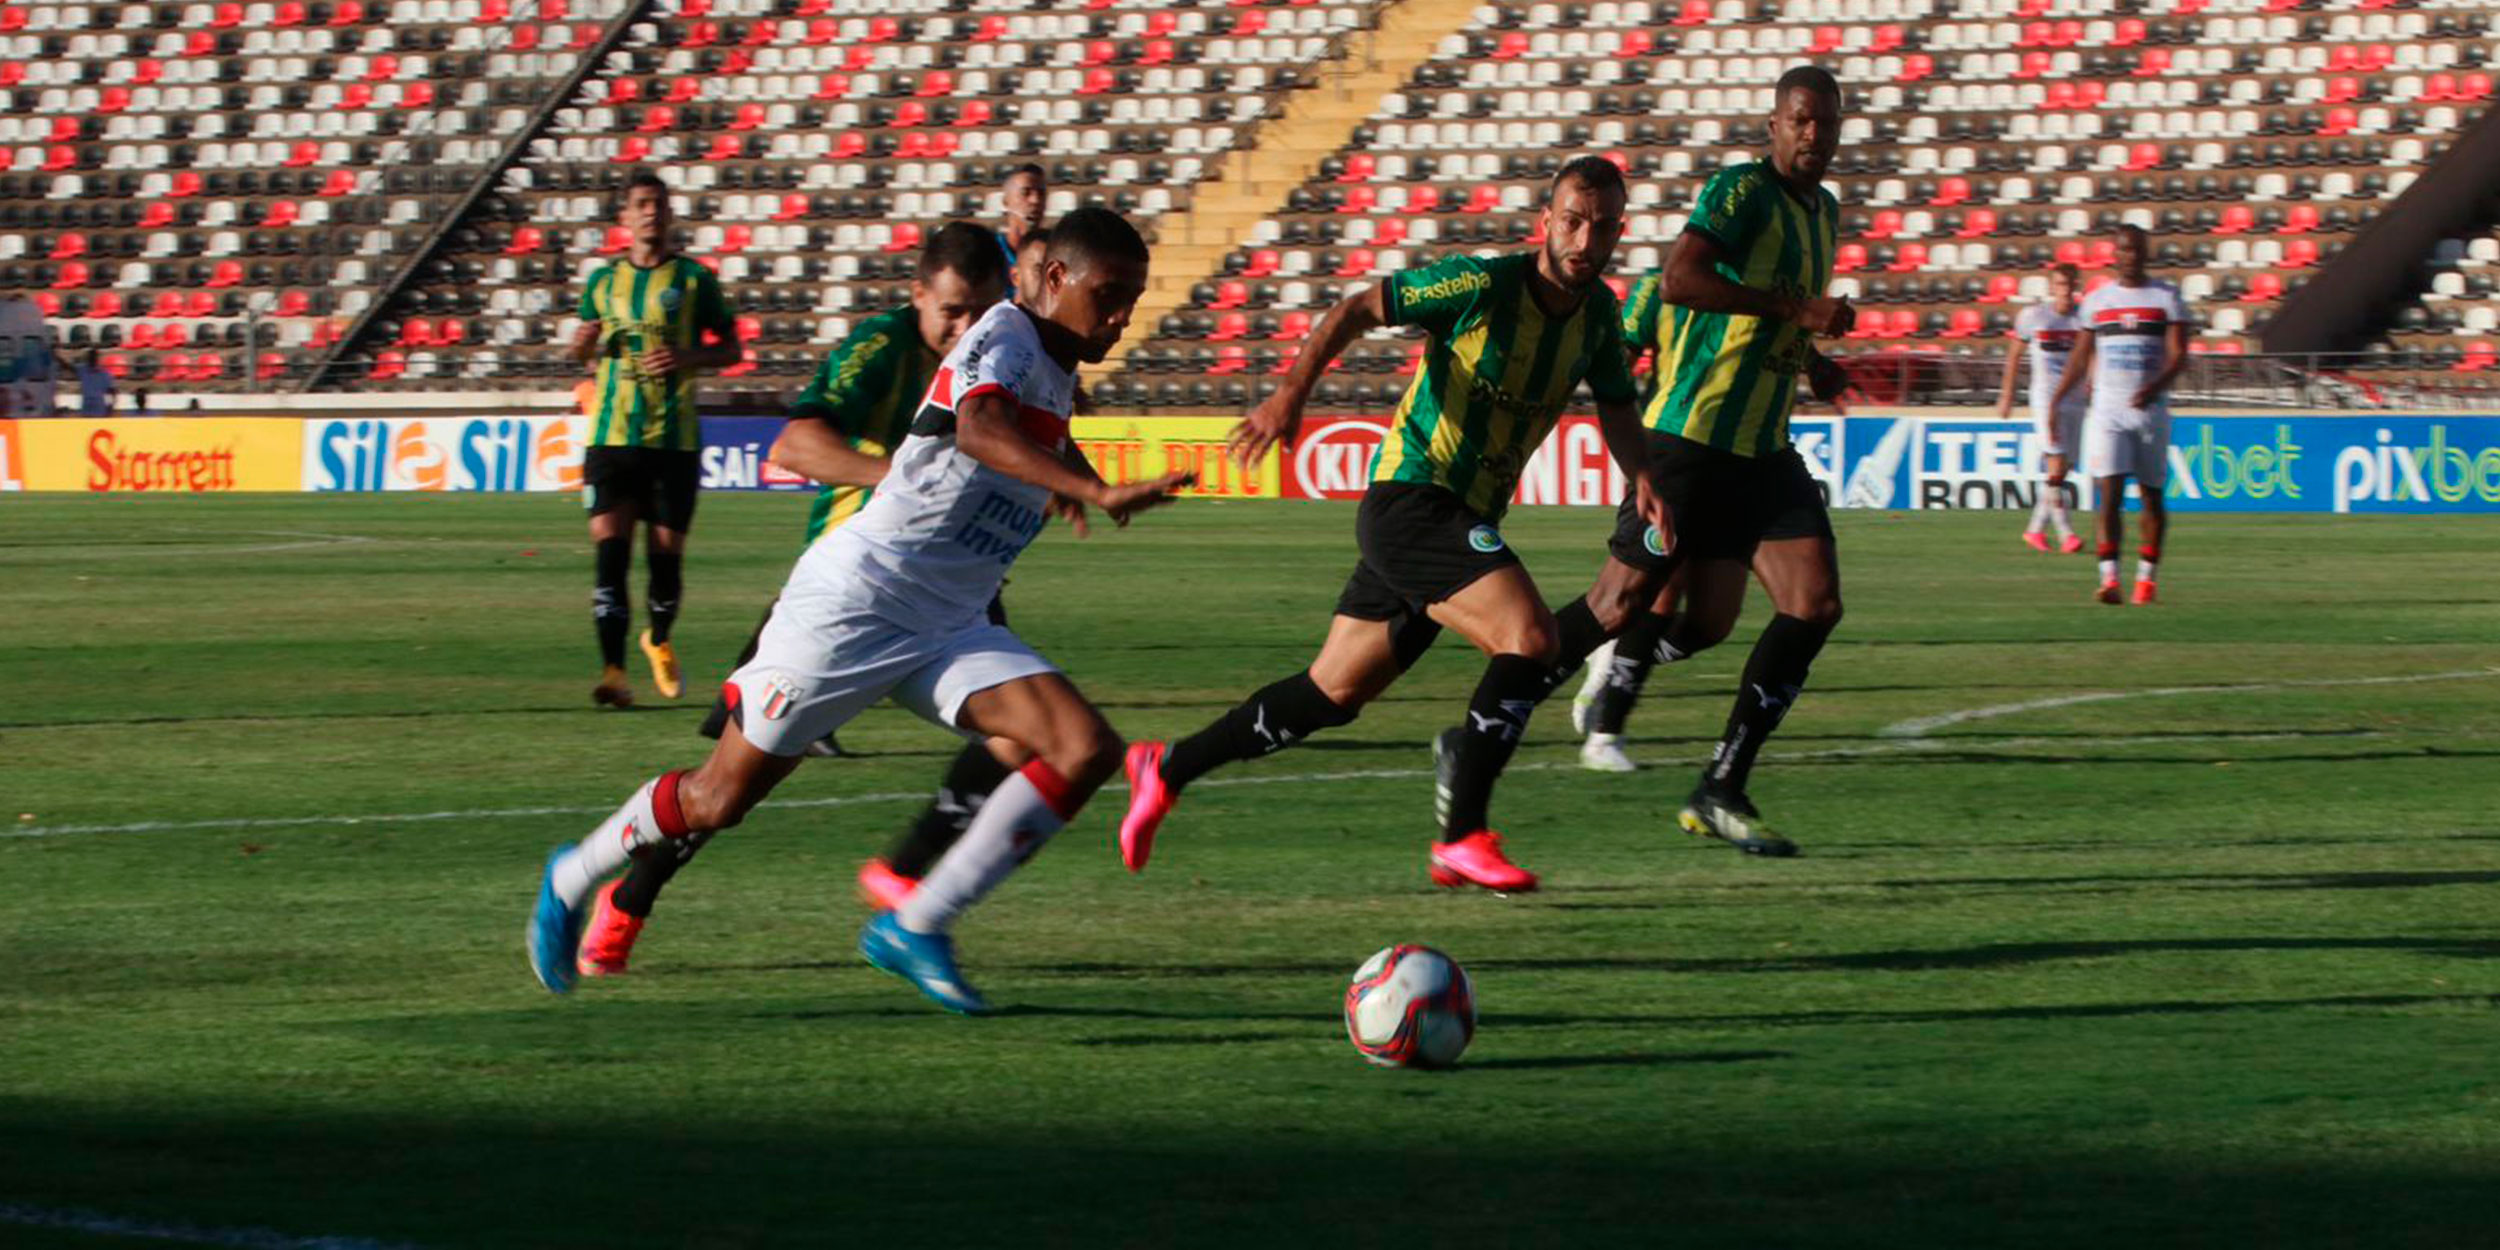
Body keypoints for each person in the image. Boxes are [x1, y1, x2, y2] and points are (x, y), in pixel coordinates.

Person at [528, 207, 1191, 1014]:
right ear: (1055, 279)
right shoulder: (1007, 332)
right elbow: (978, 428)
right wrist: (1087, 487)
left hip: (949, 618)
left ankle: (917, 924)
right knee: (718, 799)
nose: (1122, 317)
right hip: (858, 602)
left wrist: (1079, 479)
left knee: (1081, 746)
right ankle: (574, 873)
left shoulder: (1054, 364)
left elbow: (1027, 433)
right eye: (1111, 294)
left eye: (1135, 299)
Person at [1114, 155, 1666, 894]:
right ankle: (1462, 834)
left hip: (1453, 516)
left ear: (1617, 233)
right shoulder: (1479, 285)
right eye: (1572, 220)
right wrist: (1288, 398)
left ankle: (1167, 766)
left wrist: (1646, 476)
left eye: (1600, 227)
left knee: (1333, 694)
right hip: (1415, 499)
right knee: (1528, 639)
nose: (1583, 239)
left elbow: (1619, 414)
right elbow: (1355, 309)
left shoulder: (1598, 316)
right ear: (1546, 221)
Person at [576, 222, 1015, 979]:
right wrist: (901, 482)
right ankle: (628, 900)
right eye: (950, 311)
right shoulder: (882, 350)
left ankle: (905, 871)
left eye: (981, 309)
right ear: (918, 297)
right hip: (844, 595)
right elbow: (795, 446)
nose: (965, 328)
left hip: (949, 593)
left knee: (1032, 733)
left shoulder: (1004, 354)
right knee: (726, 787)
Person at [1553, 65, 1857, 854]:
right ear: (1774, 124)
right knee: (1620, 606)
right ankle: (1495, 721)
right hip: (1689, 439)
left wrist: (1813, 361)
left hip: (1761, 447)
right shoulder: (1738, 194)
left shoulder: (1823, 212)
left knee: (1778, 610)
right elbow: (1681, 280)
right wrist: (1798, 310)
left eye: (1825, 121)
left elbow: (1777, 325)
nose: (1812, 134)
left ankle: (1721, 785)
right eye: (1800, 119)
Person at [567, 169, 744, 708]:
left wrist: (688, 356)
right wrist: (580, 345)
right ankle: (614, 672)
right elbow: (578, 356)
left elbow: (732, 348)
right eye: (642, 204)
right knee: (610, 557)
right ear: (625, 217)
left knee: (665, 563)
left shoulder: (693, 280)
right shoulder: (602, 283)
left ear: (668, 215)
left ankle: (659, 637)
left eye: (659, 205)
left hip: (673, 441)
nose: (651, 213)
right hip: (612, 436)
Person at [2047, 224, 2188, 605]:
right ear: (2115, 254)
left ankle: (2147, 580)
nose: (2131, 256)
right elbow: (2079, 355)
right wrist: (2057, 398)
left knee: (2151, 497)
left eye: (2137, 250)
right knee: (2107, 494)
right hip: (2107, 410)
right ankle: (2109, 579)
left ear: (2146, 253)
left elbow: (2179, 356)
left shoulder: (2166, 297)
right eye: (2124, 250)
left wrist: (2155, 388)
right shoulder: (2099, 300)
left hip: (2150, 411)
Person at [1996, 263, 2086, 553]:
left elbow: (2092, 354)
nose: (2065, 290)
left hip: (2076, 399)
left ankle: (2035, 529)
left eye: (2069, 285)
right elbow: (2013, 356)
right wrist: (2007, 394)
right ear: (2052, 286)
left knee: (2066, 467)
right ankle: (2066, 534)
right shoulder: (2034, 316)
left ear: (2076, 286)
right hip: (2046, 398)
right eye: (2059, 284)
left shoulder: (2083, 319)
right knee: (2056, 463)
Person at [995, 163, 1047, 282]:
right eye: (1026, 193)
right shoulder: (992, 252)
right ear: (1006, 202)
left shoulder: (1054, 251)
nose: (1035, 200)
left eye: (1041, 193)